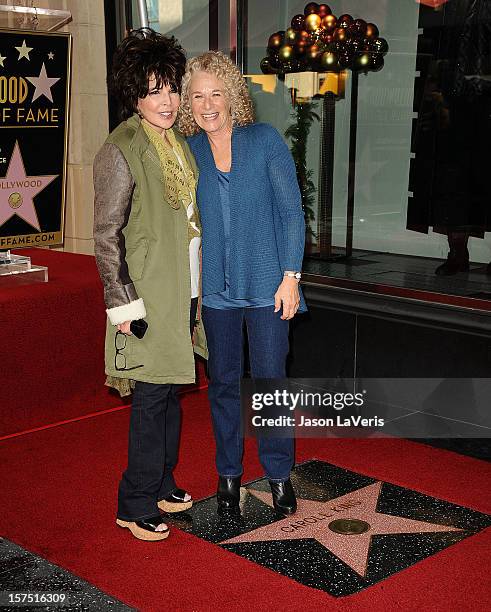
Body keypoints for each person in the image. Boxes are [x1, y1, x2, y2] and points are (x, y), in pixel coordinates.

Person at [178, 51, 306, 516]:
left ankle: (277, 474)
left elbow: (292, 211)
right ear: (188, 103)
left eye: (216, 93)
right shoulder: (187, 150)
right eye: (197, 95)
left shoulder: (265, 140)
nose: (207, 103)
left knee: (270, 382)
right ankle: (228, 474)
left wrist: (291, 276)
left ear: (233, 96)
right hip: (215, 291)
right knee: (223, 385)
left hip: (270, 286)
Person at [93, 29, 206, 541]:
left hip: (182, 288)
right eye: (154, 90)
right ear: (134, 94)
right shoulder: (122, 147)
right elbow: (105, 234)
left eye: (172, 89)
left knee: (170, 391)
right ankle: (133, 500)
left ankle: (162, 483)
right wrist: (123, 304)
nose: (167, 100)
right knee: (151, 395)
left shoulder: (177, 142)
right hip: (145, 296)